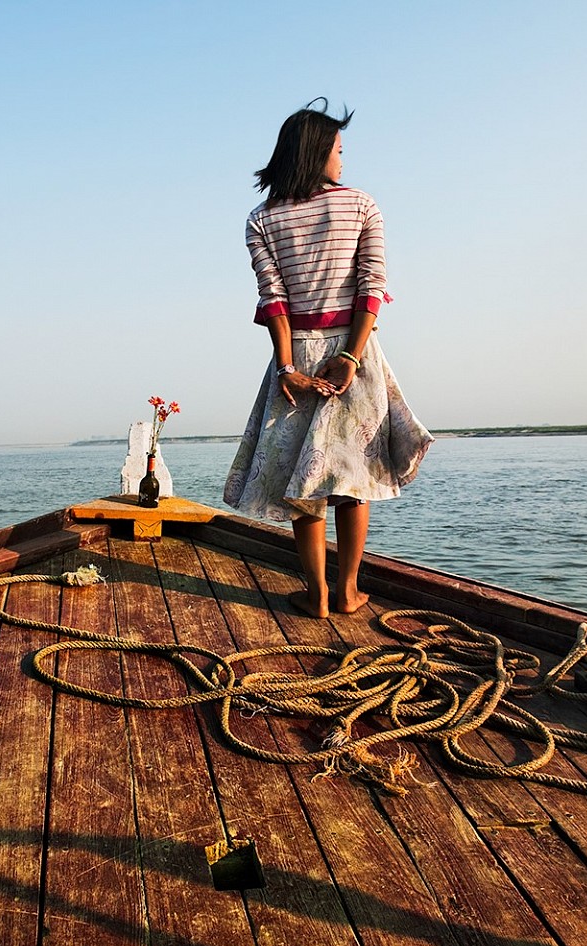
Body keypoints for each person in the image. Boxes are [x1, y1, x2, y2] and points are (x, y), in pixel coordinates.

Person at [224, 99, 433, 619]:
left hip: (297, 354)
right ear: (318, 152)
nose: (343, 159)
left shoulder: (261, 218)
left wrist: (287, 367)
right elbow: (371, 288)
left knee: (305, 481)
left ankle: (315, 595)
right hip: (351, 353)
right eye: (338, 150)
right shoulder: (362, 205)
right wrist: (352, 358)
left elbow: (273, 299)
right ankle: (347, 592)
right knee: (349, 478)